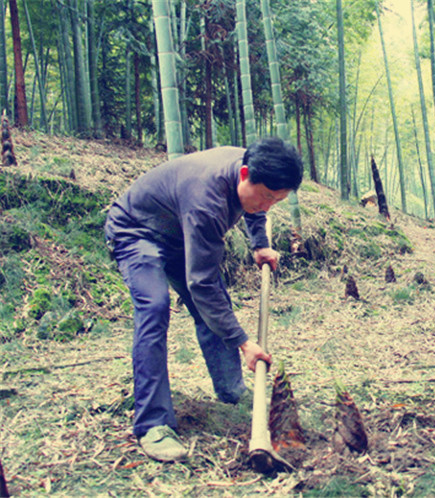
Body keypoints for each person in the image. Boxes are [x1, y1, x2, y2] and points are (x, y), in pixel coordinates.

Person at [104, 137, 303, 462]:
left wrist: (260, 243)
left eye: (277, 200)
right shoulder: (206, 200)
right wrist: (243, 343)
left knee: (213, 305)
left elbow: (255, 207)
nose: (269, 205)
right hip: (135, 230)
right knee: (155, 307)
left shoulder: (255, 170)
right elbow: (202, 284)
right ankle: (153, 424)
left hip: (177, 232)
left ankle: (231, 390)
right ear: (244, 174)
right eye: (268, 196)